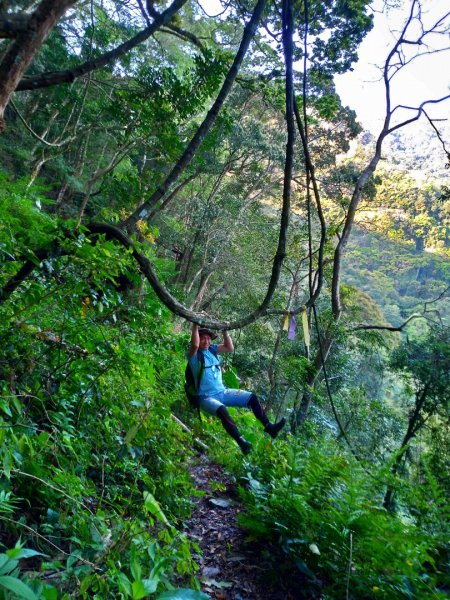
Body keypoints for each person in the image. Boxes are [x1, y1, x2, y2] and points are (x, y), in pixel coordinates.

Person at [188, 324, 286, 454]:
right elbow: (194, 345)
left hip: (223, 392)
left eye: (209, 338)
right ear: (197, 338)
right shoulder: (194, 356)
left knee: (252, 398)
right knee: (222, 410)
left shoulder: (212, 349)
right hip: (206, 397)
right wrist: (195, 326)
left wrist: (225, 331)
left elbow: (229, 348)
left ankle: (269, 427)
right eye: (203, 338)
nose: (206, 341)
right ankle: (242, 442)